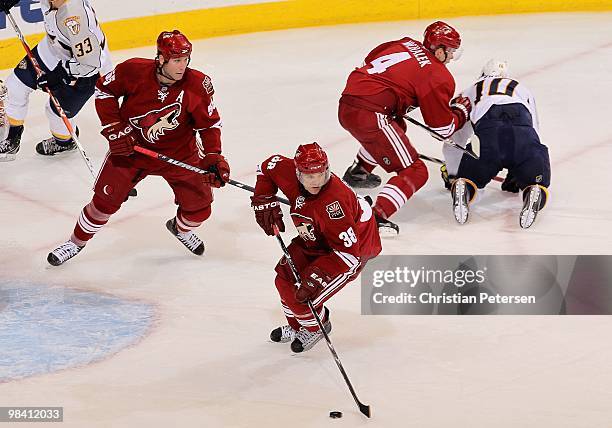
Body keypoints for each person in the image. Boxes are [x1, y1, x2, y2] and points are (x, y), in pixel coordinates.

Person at [46, 30, 230, 265]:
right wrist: (115, 129)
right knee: (103, 203)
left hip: (181, 154)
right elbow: (104, 90)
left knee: (200, 210)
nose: (182, 66)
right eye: (176, 60)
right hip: (131, 150)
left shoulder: (197, 85)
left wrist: (214, 155)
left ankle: (180, 229)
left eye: (185, 60)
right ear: (161, 58)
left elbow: (210, 124)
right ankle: (75, 242)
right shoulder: (133, 70)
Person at [338, 21, 472, 234]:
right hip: (371, 114)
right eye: (450, 52)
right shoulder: (438, 76)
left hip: (347, 102)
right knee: (416, 171)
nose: (452, 57)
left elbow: (370, 61)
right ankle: (375, 217)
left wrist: (394, 96)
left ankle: (359, 171)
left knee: (396, 125)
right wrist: (460, 112)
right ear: (438, 51)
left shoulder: (405, 43)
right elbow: (443, 129)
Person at [251, 143, 382, 352]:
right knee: (283, 279)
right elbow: (266, 167)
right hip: (316, 238)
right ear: (297, 172)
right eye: (309, 176)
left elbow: (349, 256)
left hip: (352, 248)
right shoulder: (289, 173)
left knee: (302, 296)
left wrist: (316, 276)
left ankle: (317, 328)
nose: (317, 181)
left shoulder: (333, 205)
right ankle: (297, 326)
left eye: (321, 174)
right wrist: (263, 198)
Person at [443, 59, 550, 229]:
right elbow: (534, 130)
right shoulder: (521, 88)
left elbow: (455, 140)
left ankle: (465, 186)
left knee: (473, 172)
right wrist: (518, 171)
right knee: (535, 155)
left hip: (488, 130)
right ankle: (533, 189)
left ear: (482, 74)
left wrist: (453, 174)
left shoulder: (469, 91)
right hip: (521, 127)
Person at [0, 0, 113, 161]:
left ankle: (65, 142)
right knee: (15, 85)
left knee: (55, 113)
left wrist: (59, 75)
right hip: (56, 48)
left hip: (87, 72)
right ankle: (10, 139)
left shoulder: (75, 17)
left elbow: (90, 63)